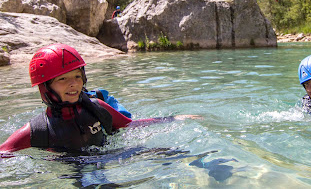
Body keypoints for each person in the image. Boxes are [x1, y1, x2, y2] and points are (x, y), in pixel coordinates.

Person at [0, 44, 200, 154]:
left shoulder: (96, 107)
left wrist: (174, 119)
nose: (74, 84)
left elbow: (130, 125)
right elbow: (5, 151)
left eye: (78, 77)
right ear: (45, 88)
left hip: (108, 158)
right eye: (63, 79)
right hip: (69, 171)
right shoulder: (38, 130)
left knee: (172, 153)